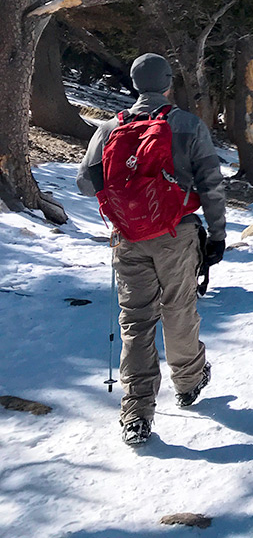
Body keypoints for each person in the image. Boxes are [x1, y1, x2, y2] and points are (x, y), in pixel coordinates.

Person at [77, 53, 227, 447]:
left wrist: (128, 198)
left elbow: (84, 182)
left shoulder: (111, 127)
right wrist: (217, 235)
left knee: (136, 321)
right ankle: (189, 381)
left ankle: (137, 413)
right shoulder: (187, 124)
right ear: (168, 83)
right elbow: (211, 183)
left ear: (133, 83)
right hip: (176, 235)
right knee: (178, 309)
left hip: (128, 237)